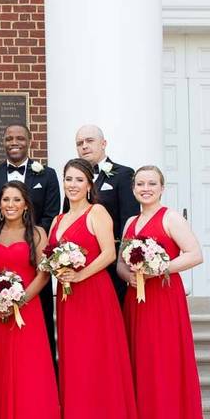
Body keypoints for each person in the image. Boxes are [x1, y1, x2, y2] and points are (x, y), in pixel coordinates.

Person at [50, 158, 141, 419]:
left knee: (97, 363)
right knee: (75, 365)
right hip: (67, 299)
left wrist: (79, 274)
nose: (72, 185)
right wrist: (58, 272)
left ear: (89, 185)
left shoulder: (97, 212)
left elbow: (109, 254)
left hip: (94, 295)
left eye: (78, 179)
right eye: (68, 179)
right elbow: (52, 256)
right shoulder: (57, 220)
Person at [118, 166, 207, 419]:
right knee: (140, 364)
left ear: (162, 187)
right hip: (136, 299)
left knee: (163, 364)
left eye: (151, 183)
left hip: (163, 298)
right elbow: (121, 262)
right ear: (133, 189)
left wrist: (160, 268)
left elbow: (195, 254)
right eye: (140, 184)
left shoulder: (170, 218)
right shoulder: (130, 221)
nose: (146, 188)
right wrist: (127, 276)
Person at [0, 181, 61, 419]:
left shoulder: (37, 234)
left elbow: (44, 272)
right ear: (0, 204)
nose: (11, 205)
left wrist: (21, 299)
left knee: (28, 376)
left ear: (26, 204)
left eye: (16, 199)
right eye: (6, 200)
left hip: (26, 312)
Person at [0, 123, 59, 364]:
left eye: (19, 138)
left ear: (29, 141)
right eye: (9, 138)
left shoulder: (47, 175)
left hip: (31, 267)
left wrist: (32, 238)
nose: (14, 142)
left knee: (34, 348)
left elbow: (50, 213)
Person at [71, 124, 139, 301]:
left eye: (89, 141)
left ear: (103, 143)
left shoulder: (123, 174)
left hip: (111, 260)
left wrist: (125, 262)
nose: (84, 146)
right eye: (79, 143)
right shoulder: (73, 180)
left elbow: (129, 220)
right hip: (80, 260)